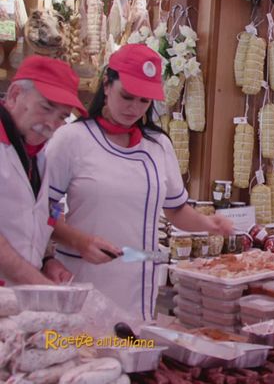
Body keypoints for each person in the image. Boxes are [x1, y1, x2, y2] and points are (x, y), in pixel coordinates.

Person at [46, 44, 233, 320]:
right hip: (82, 277)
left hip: (138, 283)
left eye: (144, 101)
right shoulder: (72, 139)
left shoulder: (158, 145)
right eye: (127, 96)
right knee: (84, 345)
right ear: (107, 85)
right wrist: (78, 241)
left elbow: (176, 210)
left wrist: (209, 224)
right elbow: (41, 212)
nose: (133, 108)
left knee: (133, 343)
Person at [0, 55, 120, 285]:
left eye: (62, 117)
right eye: (46, 108)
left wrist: (46, 261)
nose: (51, 124)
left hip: (18, 298)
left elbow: (33, 220)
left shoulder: (38, 154)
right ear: (15, 95)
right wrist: (39, 284)